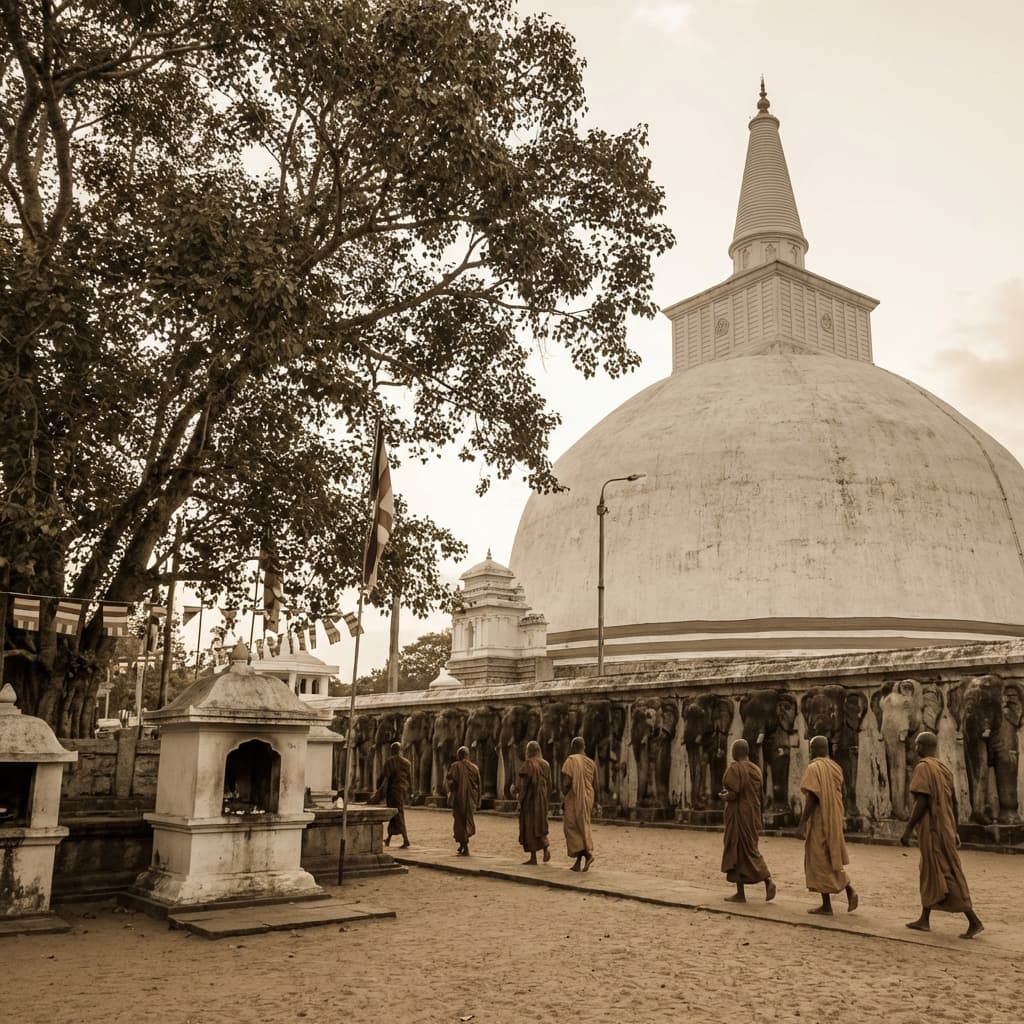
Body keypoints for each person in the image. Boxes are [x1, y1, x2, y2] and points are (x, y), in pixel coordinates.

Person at [900, 731, 984, 939]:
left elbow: (922, 802)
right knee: (930, 870)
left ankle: (974, 920)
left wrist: (908, 829)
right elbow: (954, 802)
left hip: (933, 828)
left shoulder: (923, 768)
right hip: (945, 826)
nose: (915, 748)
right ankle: (924, 918)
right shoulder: (944, 769)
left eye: (917, 744)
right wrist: (954, 828)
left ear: (921, 746)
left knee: (944, 871)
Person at [799, 735, 858, 914]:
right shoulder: (835, 767)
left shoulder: (814, 768)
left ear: (815, 750)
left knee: (819, 859)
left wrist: (802, 822)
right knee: (830, 856)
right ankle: (847, 891)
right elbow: (844, 792)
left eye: (811, 749)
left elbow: (813, 798)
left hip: (820, 818)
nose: (810, 752)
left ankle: (828, 904)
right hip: (835, 817)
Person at [719, 738, 776, 903]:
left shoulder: (735, 769)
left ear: (736, 752)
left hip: (738, 814)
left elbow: (733, 793)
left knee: (737, 850)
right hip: (752, 814)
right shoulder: (756, 769)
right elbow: (759, 794)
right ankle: (763, 883)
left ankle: (748, 889)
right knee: (751, 850)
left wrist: (725, 796)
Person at [561, 736, 597, 871]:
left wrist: (563, 794)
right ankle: (577, 863)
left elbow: (567, 782)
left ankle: (587, 855)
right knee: (581, 828)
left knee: (571, 828)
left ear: (573, 747)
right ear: (584, 747)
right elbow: (596, 784)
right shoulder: (591, 763)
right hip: (588, 798)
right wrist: (596, 802)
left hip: (574, 798)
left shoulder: (571, 761)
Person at [517, 739, 551, 865]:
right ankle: (546, 847)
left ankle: (533, 857)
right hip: (542, 800)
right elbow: (550, 784)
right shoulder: (546, 764)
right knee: (541, 825)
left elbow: (524, 786)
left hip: (530, 801)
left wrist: (520, 800)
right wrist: (547, 800)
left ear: (529, 751)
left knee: (530, 827)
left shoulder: (527, 765)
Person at [445, 745, 481, 856]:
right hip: (471, 800)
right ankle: (462, 845)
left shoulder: (455, 766)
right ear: (467, 755)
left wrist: (451, 792)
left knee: (461, 822)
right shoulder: (475, 768)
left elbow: (451, 783)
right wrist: (479, 799)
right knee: (466, 821)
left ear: (459, 756)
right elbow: (479, 785)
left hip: (460, 799)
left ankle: (465, 847)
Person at [375, 740, 411, 849]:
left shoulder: (390, 761)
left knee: (398, 814)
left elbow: (384, 777)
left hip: (393, 791)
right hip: (403, 790)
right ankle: (389, 838)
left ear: (392, 751)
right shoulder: (407, 763)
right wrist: (410, 792)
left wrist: (379, 790)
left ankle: (406, 839)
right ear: (400, 751)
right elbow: (409, 778)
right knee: (394, 814)